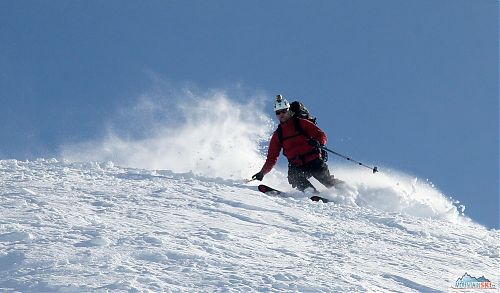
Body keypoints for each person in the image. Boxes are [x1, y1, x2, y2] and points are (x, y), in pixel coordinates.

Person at [252, 95, 338, 193]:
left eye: (284, 111)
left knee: (327, 181)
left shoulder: (301, 123)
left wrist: (318, 141)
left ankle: (346, 190)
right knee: (293, 177)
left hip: (313, 160)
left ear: (289, 111)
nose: (281, 114)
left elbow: (321, 135)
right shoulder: (278, 135)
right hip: (297, 165)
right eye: (278, 113)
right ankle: (311, 194)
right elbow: (272, 158)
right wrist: (262, 172)